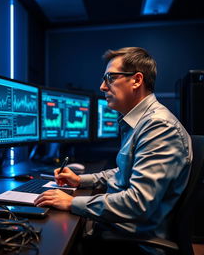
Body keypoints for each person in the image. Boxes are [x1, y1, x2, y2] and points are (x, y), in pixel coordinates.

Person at [34, 47, 193, 254]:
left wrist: (72, 202)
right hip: (120, 230)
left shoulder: (159, 127)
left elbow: (137, 203)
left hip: (135, 243)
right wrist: (81, 180)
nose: (102, 87)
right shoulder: (141, 122)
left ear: (136, 80)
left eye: (110, 78)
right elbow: (125, 172)